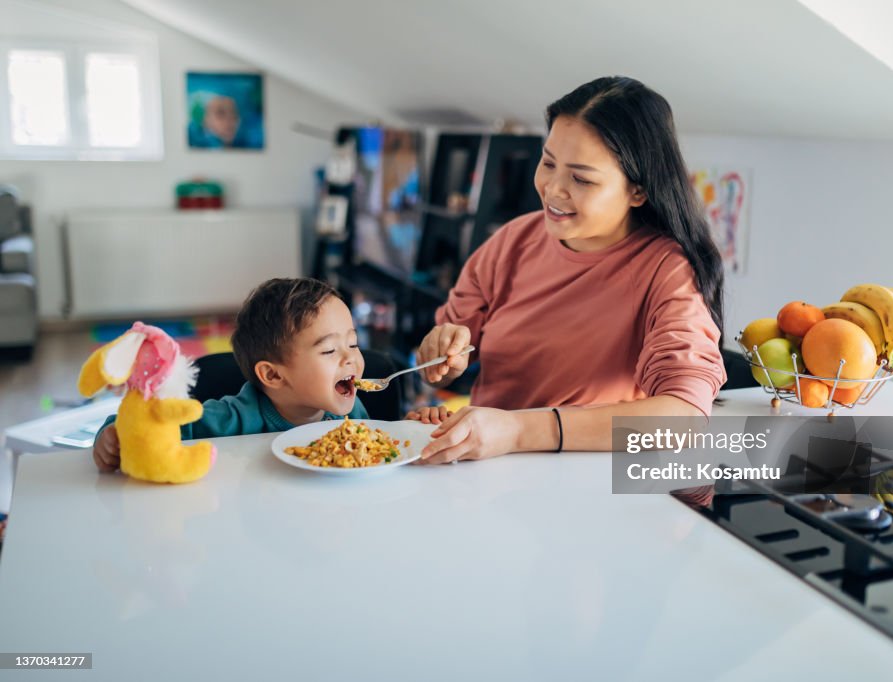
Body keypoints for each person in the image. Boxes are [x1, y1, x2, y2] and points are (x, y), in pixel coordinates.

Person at [415, 76, 726, 464]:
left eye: (581, 178)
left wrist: (518, 431)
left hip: (586, 485)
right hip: (484, 471)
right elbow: (441, 372)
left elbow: (683, 420)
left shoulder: (666, 269)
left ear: (638, 190)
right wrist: (442, 356)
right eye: (548, 163)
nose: (552, 188)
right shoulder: (511, 241)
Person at [93, 278, 448, 473]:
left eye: (353, 344)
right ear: (273, 376)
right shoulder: (229, 419)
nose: (351, 360)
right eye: (329, 350)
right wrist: (112, 435)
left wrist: (416, 427)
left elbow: (383, 456)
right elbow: (146, 423)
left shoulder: (351, 417)